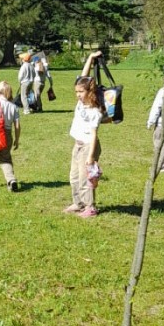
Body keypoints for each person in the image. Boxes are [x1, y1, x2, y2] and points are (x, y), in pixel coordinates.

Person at [64, 50, 105, 218]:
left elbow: (94, 135)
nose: (77, 95)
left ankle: (90, 207)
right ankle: (78, 203)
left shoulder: (94, 111)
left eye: (80, 92)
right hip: (78, 143)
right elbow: (83, 76)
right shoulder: (81, 103)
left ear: (89, 92)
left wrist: (90, 157)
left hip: (89, 146)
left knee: (85, 178)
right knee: (73, 176)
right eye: (76, 92)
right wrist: (90, 58)